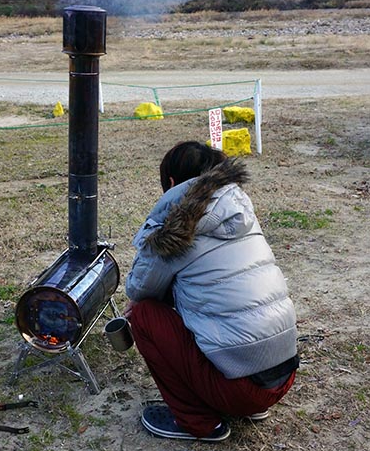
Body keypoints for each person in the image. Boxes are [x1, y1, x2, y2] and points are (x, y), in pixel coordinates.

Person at [124, 141, 298, 442]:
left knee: (142, 315)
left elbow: (138, 289)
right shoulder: (241, 211)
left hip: (240, 389)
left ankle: (198, 423)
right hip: (283, 378)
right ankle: (247, 405)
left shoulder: (175, 228)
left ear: (171, 183)